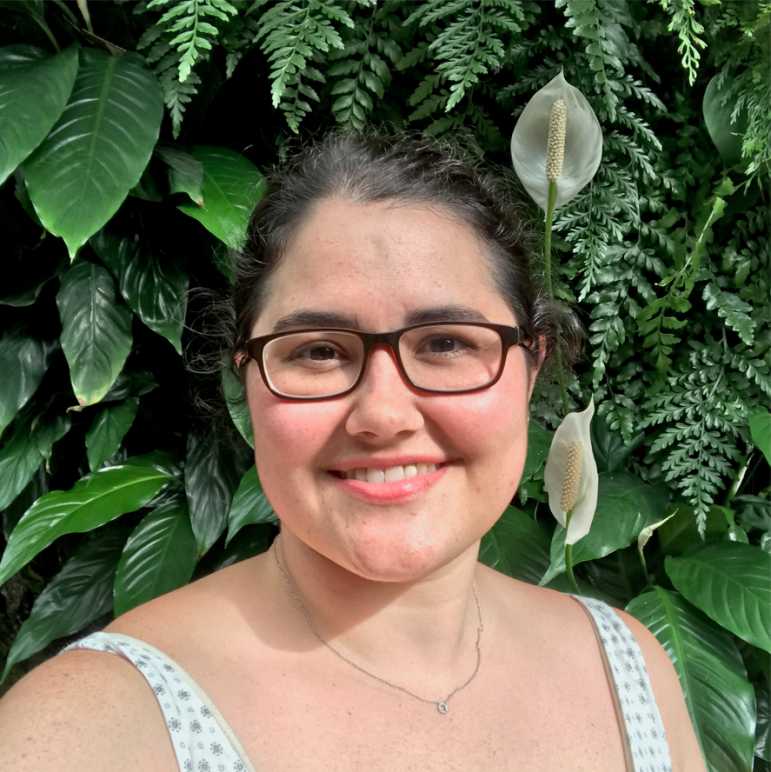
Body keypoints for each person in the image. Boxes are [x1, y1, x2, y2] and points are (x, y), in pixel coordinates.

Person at [0, 132, 705, 772]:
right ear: (245, 378)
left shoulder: (627, 669)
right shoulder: (90, 730)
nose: (382, 415)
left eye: (446, 343)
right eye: (318, 351)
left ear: (529, 366)